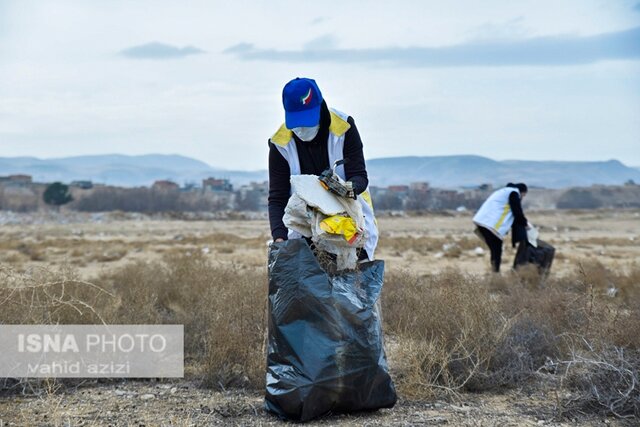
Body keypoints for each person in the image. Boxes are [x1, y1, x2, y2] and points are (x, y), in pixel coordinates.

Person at [268, 77, 378, 261]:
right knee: (306, 285)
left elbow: (359, 175)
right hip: (304, 225)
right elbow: (277, 197)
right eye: (297, 123)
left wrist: (346, 189)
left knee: (354, 283)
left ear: (320, 107)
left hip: (349, 221)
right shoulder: (279, 144)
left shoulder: (344, 128)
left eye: (307, 121)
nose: (302, 129)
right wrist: (279, 238)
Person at [473, 183, 529, 272]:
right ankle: (496, 274)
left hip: (481, 222)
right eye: (523, 195)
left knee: (495, 249)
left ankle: (495, 272)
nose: (522, 198)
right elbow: (517, 211)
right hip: (490, 225)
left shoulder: (503, 191)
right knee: (496, 250)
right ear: (522, 192)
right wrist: (525, 224)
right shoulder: (514, 193)